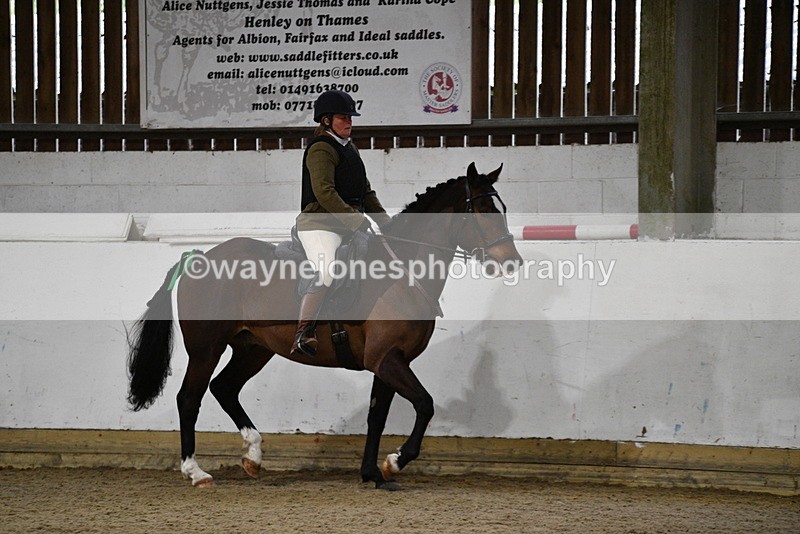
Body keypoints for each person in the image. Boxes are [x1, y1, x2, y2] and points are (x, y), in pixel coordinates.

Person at [291, 90, 392, 357]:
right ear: (326, 120)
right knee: (326, 270)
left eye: (350, 118)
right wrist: (356, 220)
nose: (349, 122)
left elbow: (366, 192)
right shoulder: (321, 149)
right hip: (319, 224)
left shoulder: (349, 148)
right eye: (343, 118)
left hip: (347, 223)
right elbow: (324, 192)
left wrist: (387, 224)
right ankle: (303, 332)